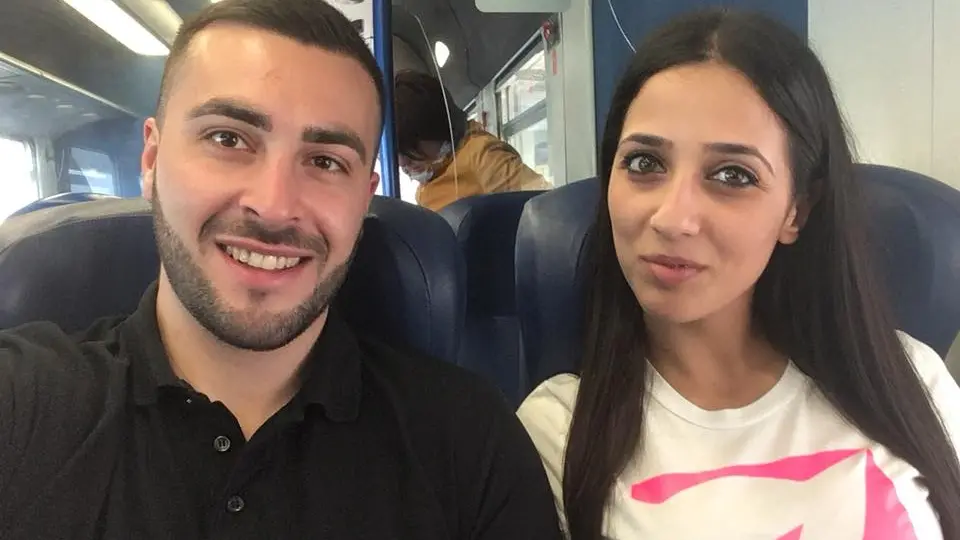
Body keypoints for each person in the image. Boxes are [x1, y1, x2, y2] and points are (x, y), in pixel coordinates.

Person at [0, 1, 563, 539]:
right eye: (228, 138)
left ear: (364, 198)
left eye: (325, 161)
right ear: (151, 161)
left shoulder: (470, 443)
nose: (273, 206)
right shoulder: (21, 402)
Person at [517, 8, 960, 540]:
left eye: (732, 175)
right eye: (644, 163)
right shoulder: (559, 432)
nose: (672, 218)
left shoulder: (911, 381)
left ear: (797, 211)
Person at [394, 70, 550, 211]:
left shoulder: (483, 157)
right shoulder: (427, 184)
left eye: (410, 146)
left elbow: (543, 208)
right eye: (397, 152)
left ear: (436, 127)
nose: (402, 162)